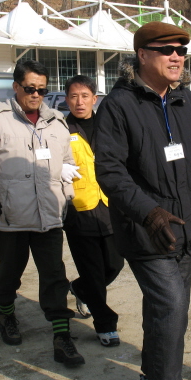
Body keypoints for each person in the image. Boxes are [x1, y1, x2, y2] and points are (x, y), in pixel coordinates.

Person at [93, 22, 191, 380]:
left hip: (185, 228)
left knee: (167, 310)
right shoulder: (119, 106)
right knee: (171, 305)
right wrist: (150, 212)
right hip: (145, 231)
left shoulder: (188, 103)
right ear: (142, 56)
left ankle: (149, 379)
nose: (177, 56)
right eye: (167, 50)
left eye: (181, 49)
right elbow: (109, 171)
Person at [0, 59, 84, 367]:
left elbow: (66, 162)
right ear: (16, 87)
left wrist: (67, 194)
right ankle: (6, 315)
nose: (35, 95)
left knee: (55, 276)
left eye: (42, 90)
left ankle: (61, 336)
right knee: (9, 273)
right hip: (10, 215)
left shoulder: (56, 122)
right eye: (30, 88)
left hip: (49, 215)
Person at [62, 74, 124, 347]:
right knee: (93, 270)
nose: (79, 101)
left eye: (85, 96)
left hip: (109, 206)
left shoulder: (107, 125)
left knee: (115, 263)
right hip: (79, 208)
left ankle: (79, 288)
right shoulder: (60, 129)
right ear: (67, 100)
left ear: (94, 99)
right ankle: (105, 325)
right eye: (74, 96)